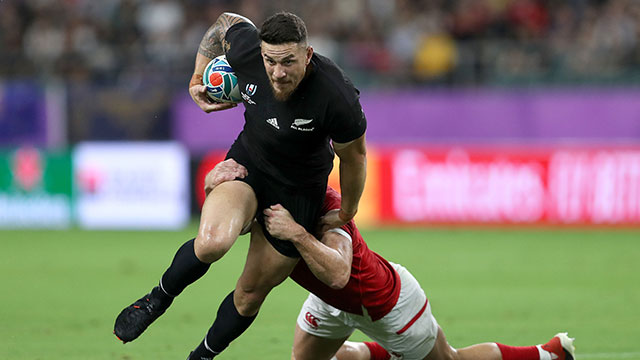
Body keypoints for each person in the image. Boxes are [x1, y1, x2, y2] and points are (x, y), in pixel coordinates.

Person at [113, 11, 367, 360]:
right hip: (247, 166)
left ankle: (201, 356)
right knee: (212, 243)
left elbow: (354, 157)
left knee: (250, 294)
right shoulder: (246, 50)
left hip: (298, 194)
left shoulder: (335, 95)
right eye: (270, 61)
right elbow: (225, 22)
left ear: (307, 55)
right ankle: (157, 299)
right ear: (259, 53)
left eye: (288, 62)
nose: (278, 73)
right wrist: (196, 79)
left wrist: (347, 210)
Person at [207, 159, 577, 360]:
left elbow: (337, 273)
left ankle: (547, 354)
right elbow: (229, 223)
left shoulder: (326, 204)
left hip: (384, 303)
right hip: (329, 302)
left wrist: (296, 233)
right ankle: (391, 354)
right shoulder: (266, 191)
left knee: (449, 359)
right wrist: (214, 183)